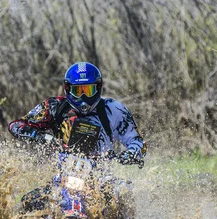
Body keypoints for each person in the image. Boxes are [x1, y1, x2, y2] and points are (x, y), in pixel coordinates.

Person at [8, 62, 146, 164]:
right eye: (78, 91)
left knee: (123, 193)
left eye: (88, 90)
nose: (84, 97)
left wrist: (131, 153)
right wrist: (39, 136)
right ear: (68, 89)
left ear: (98, 88)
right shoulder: (54, 106)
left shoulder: (114, 109)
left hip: (103, 179)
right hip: (63, 178)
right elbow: (16, 125)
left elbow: (137, 141)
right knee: (30, 201)